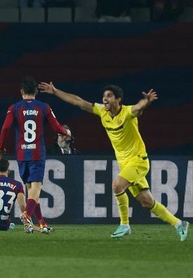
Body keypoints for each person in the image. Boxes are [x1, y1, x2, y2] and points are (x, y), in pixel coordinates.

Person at [38, 82, 189, 241]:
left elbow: (138, 108)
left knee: (117, 185)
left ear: (118, 100)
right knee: (147, 202)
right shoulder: (102, 112)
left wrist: (147, 101)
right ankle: (179, 224)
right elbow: (78, 102)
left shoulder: (127, 113)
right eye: (104, 96)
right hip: (125, 165)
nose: (105, 99)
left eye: (109, 96)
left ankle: (124, 225)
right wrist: (55, 91)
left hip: (138, 161)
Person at [0, 75, 69, 234]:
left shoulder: (14, 108)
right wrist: (65, 132)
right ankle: (27, 215)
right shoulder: (43, 107)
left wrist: (1, 147)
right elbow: (56, 126)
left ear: (21, 91)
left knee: (31, 190)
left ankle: (41, 224)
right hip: (36, 153)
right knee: (36, 189)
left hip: (21, 154)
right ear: (36, 91)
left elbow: (5, 128)